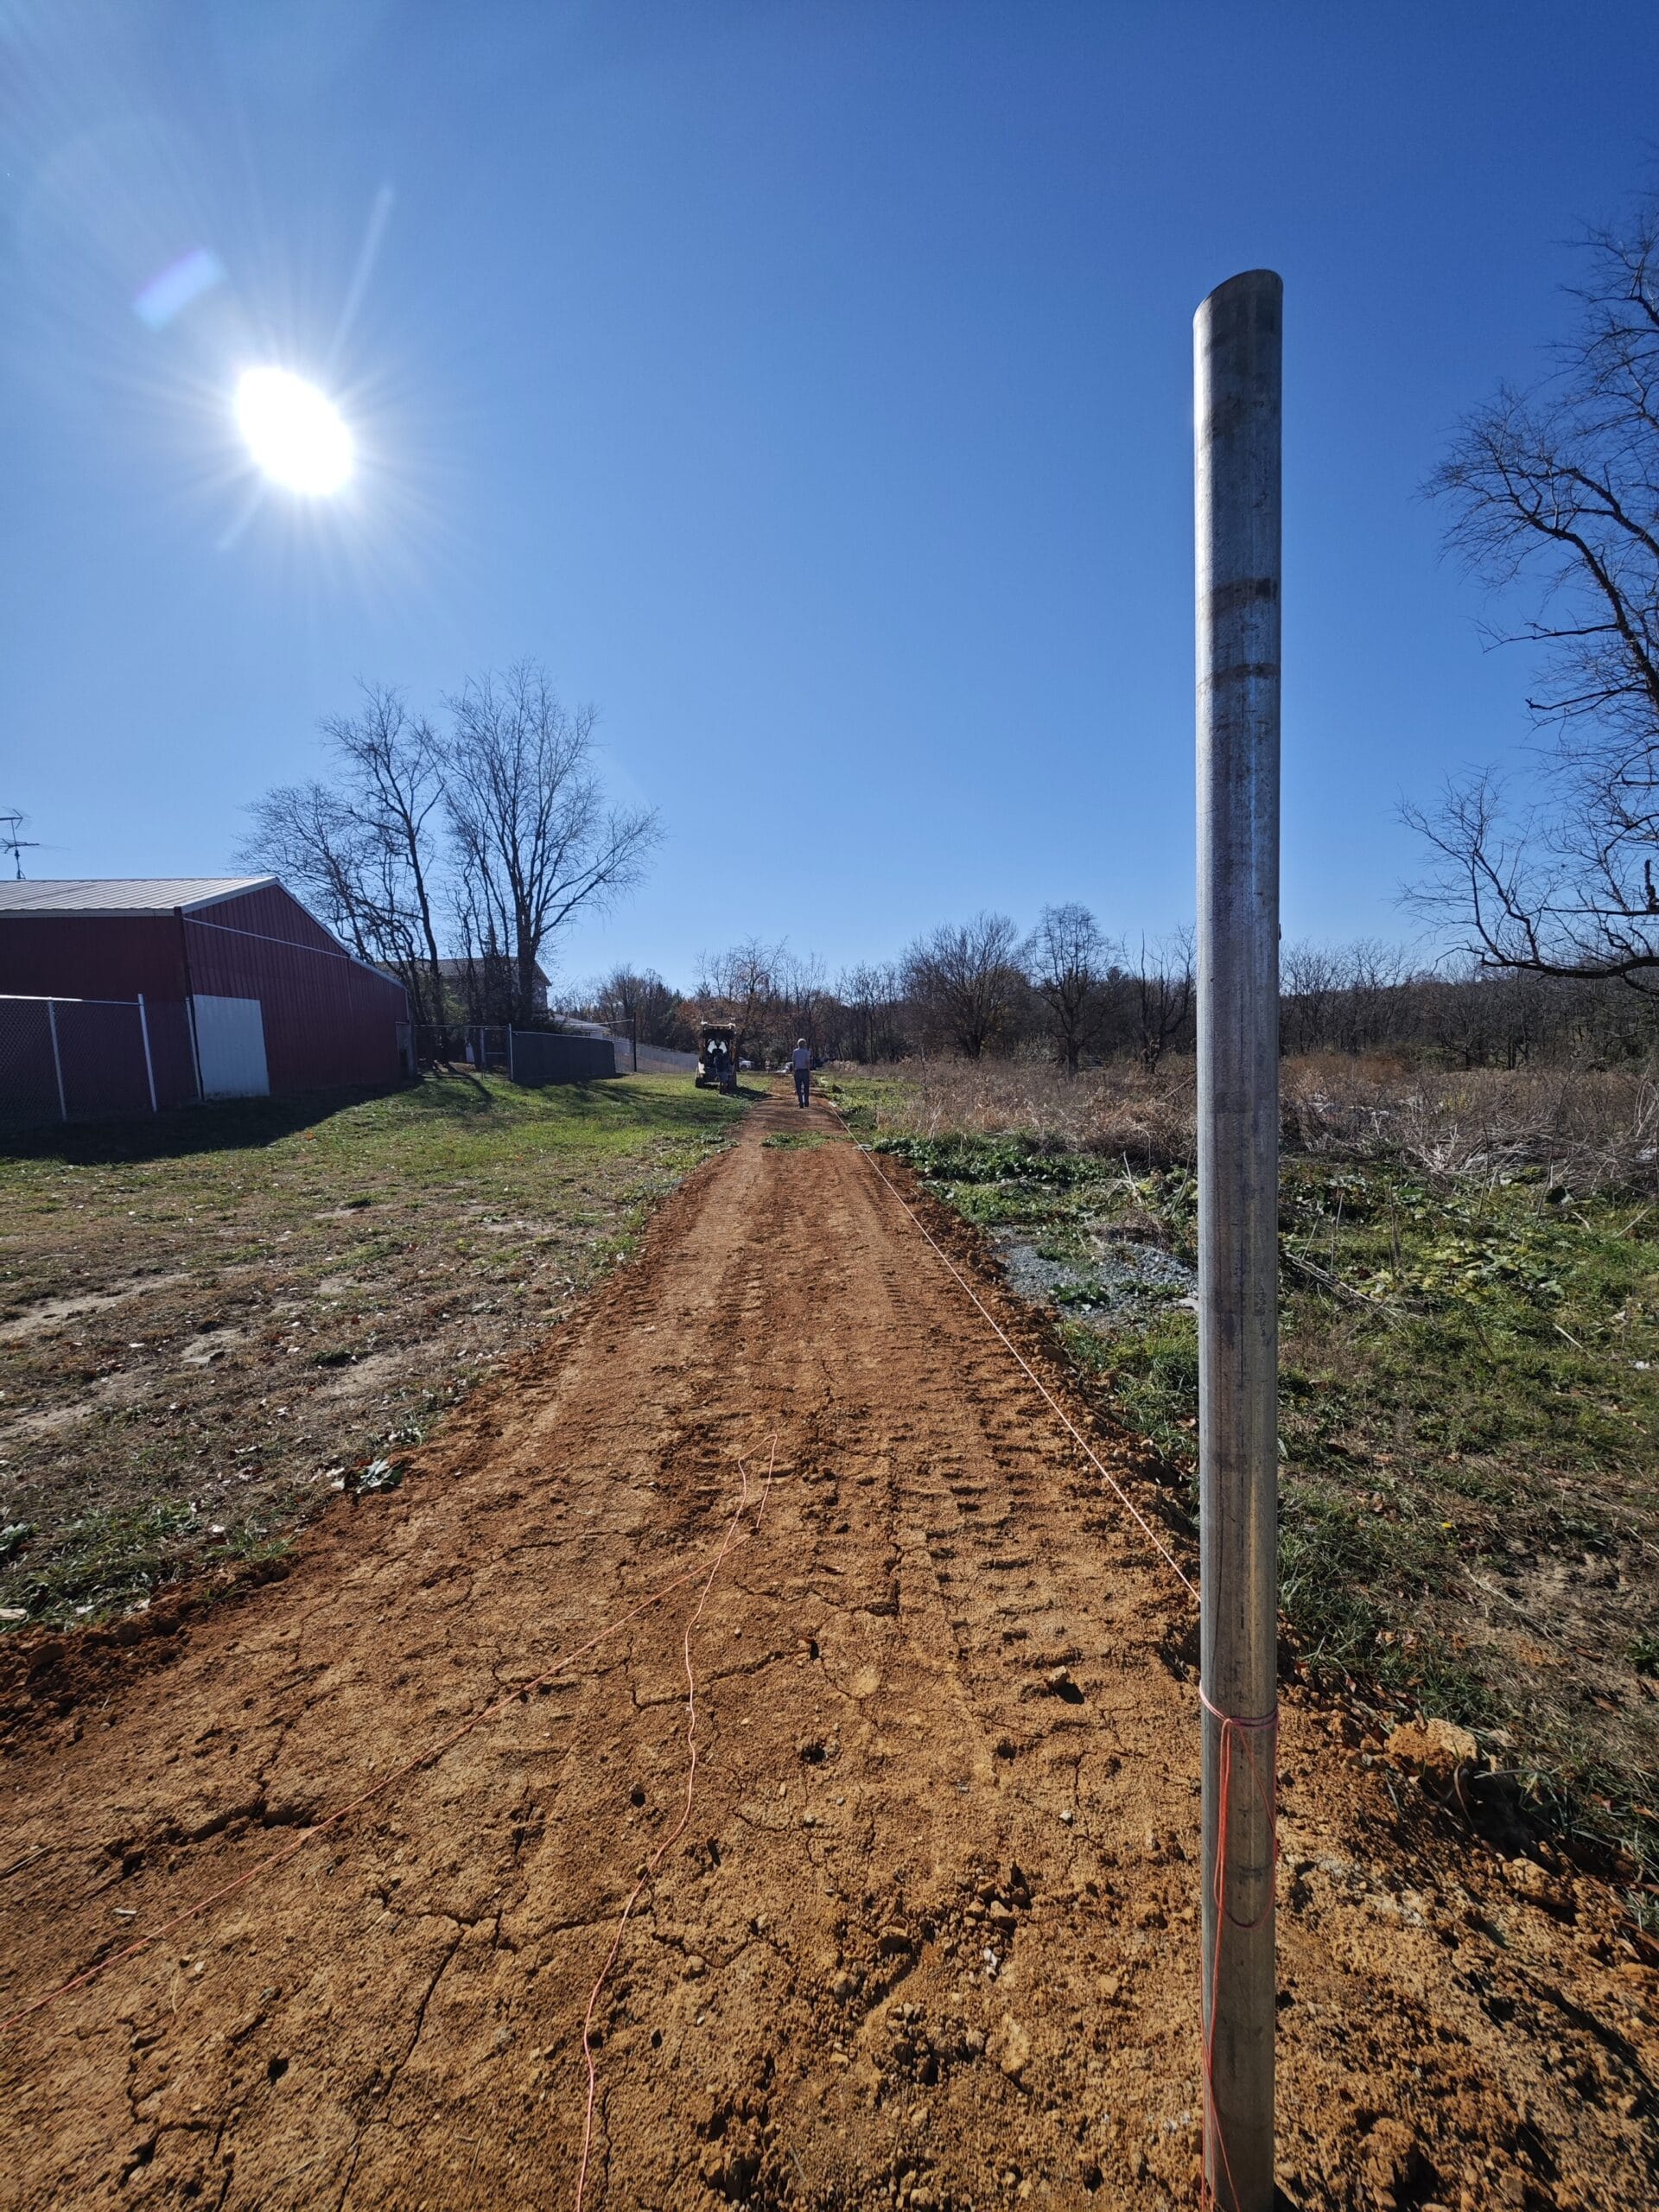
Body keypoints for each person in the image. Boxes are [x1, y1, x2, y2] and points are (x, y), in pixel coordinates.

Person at [791, 1037, 811, 1109]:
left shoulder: (795, 1052)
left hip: (797, 1071)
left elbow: (794, 1062)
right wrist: (809, 1072)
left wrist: (793, 1071)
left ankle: (801, 1102)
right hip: (805, 1071)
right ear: (804, 1044)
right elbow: (807, 1062)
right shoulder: (806, 1052)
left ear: (798, 1044)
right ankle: (806, 1102)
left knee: (798, 1088)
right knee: (806, 1088)